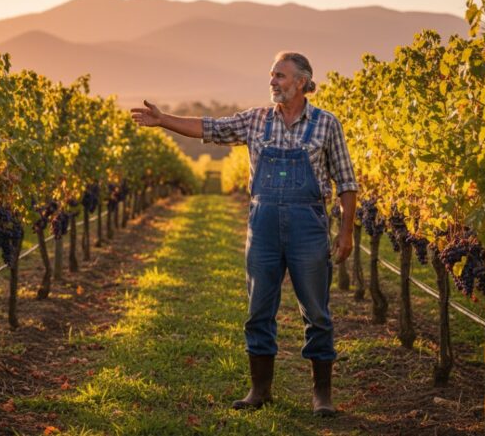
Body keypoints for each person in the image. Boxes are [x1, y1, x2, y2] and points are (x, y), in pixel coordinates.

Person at [131, 51, 358, 416]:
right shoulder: (255, 120)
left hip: (308, 226)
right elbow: (209, 128)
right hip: (263, 225)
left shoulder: (326, 124)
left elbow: (346, 182)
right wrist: (164, 121)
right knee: (258, 310)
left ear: (302, 82)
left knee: (317, 312)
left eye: (280, 76)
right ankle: (260, 390)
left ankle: (322, 395)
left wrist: (346, 234)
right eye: (271, 75)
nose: (273, 81)